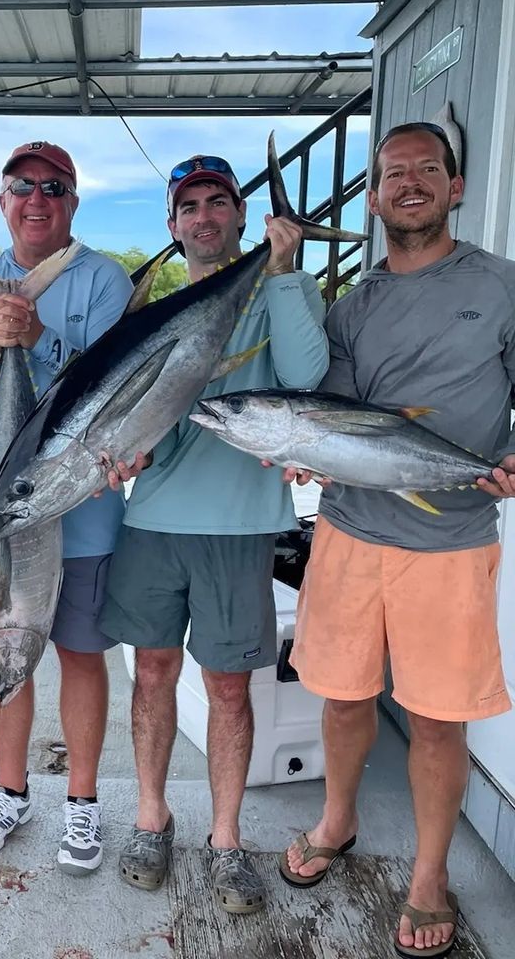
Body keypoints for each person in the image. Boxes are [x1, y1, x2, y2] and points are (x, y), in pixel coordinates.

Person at [278, 122, 514, 959]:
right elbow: (337, 416)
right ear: (375, 197)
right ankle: (337, 821)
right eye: (391, 173)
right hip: (350, 530)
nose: (408, 182)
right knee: (342, 696)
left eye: (427, 169)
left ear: (455, 187)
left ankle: (428, 875)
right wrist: (303, 450)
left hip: (451, 541)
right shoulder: (355, 302)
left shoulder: (503, 284)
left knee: (439, 719)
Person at [98, 151, 328, 912]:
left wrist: (288, 269)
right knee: (153, 676)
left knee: (231, 692)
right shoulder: (154, 314)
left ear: (240, 216)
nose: (203, 216)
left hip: (239, 527)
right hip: (153, 523)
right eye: (189, 206)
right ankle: (150, 817)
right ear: (172, 225)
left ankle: (225, 840)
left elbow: (304, 377)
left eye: (217, 202)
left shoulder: (273, 297)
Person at [0, 141, 135, 874]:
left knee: (83, 654)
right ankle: (10, 789)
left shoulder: (105, 280)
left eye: (54, 187)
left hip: (81, 505)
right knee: (1, 644)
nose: (37, 198)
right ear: (4, 201)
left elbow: (108, 388)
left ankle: (81, 803)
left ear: (72, 204)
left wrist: (39, 335)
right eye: (23, 186)